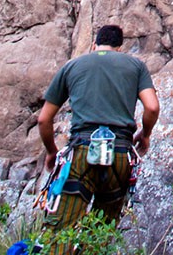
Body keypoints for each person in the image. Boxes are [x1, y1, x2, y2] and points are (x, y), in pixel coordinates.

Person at [36, 24, 160, 252]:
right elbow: (151, 107)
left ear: (95, 44)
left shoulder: (72, 66)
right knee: (99, 235)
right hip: (121, 155)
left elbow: (44, 120)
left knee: (60, 233)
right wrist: (145, 134)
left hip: (81, 152)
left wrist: (52, 151)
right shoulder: (135, 66)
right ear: (119, 47)